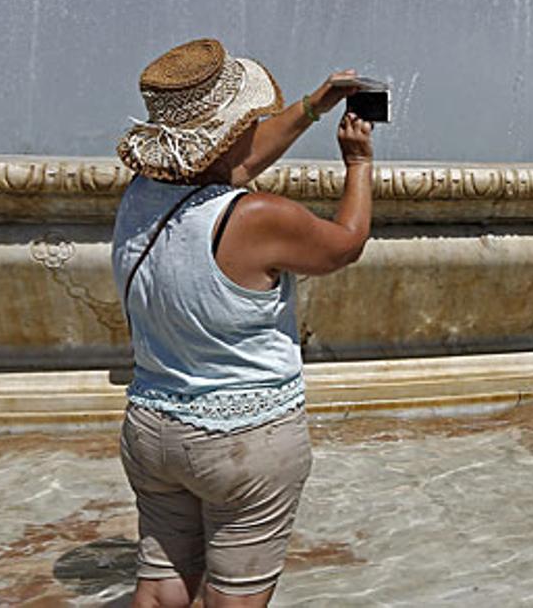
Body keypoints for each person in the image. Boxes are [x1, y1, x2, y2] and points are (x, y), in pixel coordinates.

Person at [111, 38, 373, 607]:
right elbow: (344, 246)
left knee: (160, 587)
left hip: (152, 429)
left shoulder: (139, 196)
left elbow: (237, 161)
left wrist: (313, 105)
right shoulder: (255, 217)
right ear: (228, 131)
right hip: (242, 442)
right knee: (234, 598)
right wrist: (358, 164)